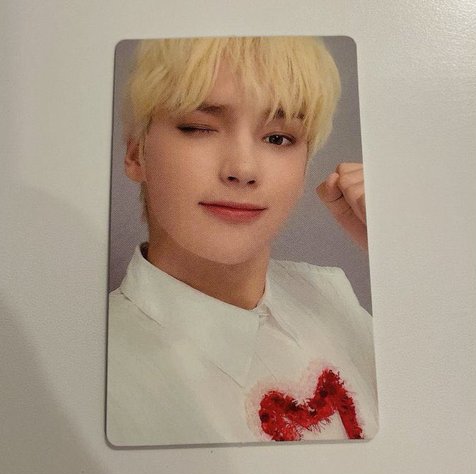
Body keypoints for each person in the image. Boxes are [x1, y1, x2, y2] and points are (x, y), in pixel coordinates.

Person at [106, 36, 377, 447]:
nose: (244, 169)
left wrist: (402, 257)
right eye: (199, 128)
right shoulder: (98, 368)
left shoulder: (330, 293)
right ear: (135, 153)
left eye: (278, 138)